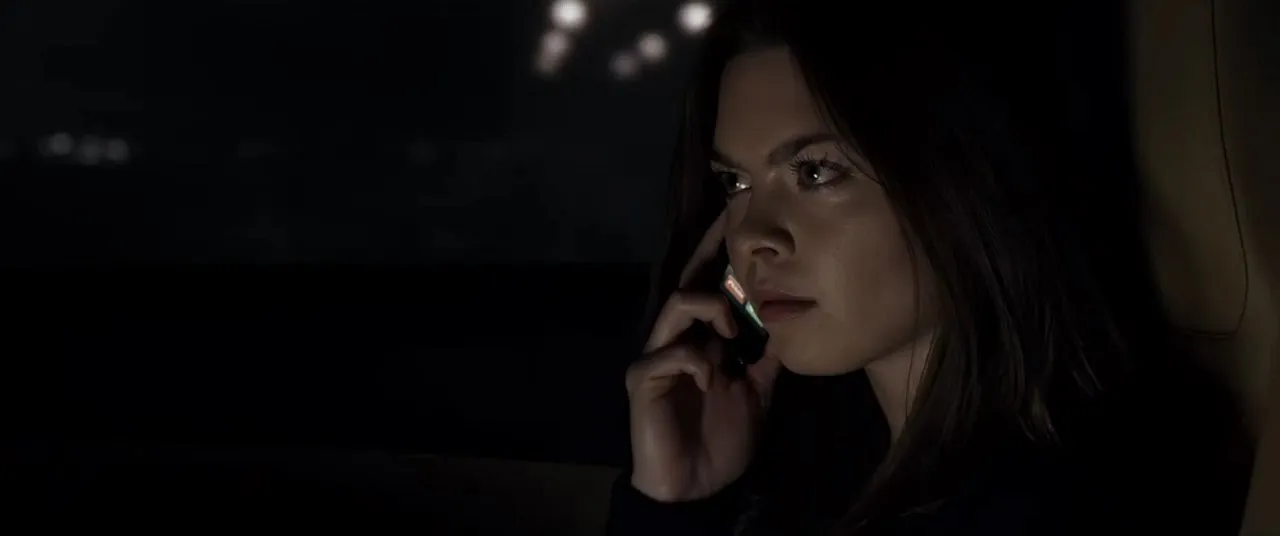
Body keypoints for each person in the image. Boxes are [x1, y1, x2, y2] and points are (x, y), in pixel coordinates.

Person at [605, 1, 1252, 535]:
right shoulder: (816, 460)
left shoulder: (1070, 504)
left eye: (816, 172)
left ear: (959, 182)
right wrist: (675, 502)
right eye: (736, 182)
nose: (753, 238)